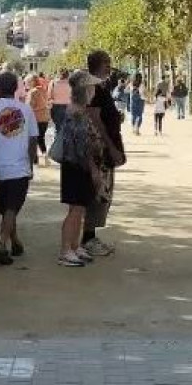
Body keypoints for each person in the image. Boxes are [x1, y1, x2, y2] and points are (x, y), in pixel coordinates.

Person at [0, 72, 38, 266]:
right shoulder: (26, 110)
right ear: (15, 89)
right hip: (19, 165)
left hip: (0, 165)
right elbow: (33, 139)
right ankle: (1, 244)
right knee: (11, 207)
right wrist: (30, 163)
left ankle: (15, 242)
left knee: (7, 207)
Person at [57, 70, 107, 267]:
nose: (94, 90)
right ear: (84, 90)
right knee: (75, 210)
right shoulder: (77, 113)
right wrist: (94, 170)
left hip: (78, 167)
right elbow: (82, 147)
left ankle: (74, 246)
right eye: (91, 87)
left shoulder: (78, 110)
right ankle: (65, 250)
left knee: (79, 209)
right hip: (77, 167)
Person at [83, 50, 124, 257]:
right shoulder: (94, 88)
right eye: (107, 63)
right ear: (98, 64)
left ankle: (89, 235)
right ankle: (88, 238)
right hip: (99, 151)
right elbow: (94, 120)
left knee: (101, 193)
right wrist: (111, 147)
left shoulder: (99, 86)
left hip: (102, 149)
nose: (109, 67)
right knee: (98, 193)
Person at [25, 74, 52, 162]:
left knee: (33, 139)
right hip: (44, 118)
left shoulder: (32, 92)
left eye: (27, 82)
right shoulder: (43, 90)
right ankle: (45, 157)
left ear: (31, 82)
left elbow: (29, 107)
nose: (26, 84)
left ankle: (34, 159)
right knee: (41, 138)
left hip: (35, 118)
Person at [49, 68, 71, 135]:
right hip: (68, 106)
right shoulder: (72, 83)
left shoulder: (53, 82)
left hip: (56, 106)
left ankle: (58, 143)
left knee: (58, 127)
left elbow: (49, 95)